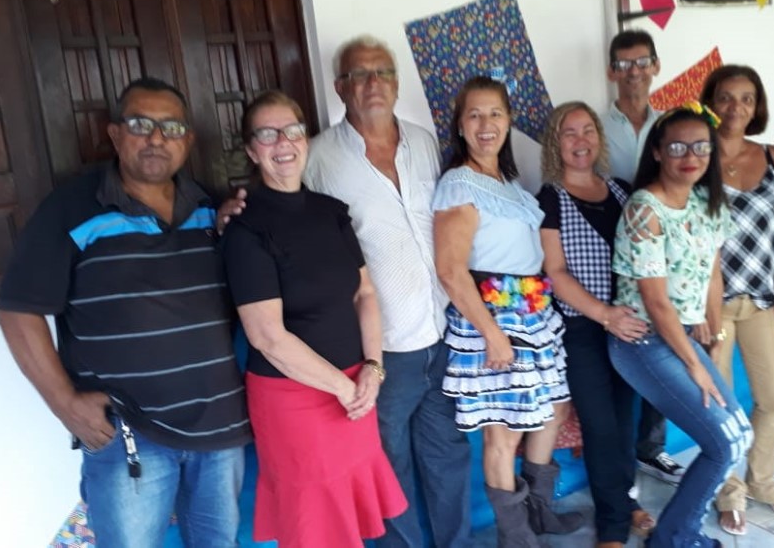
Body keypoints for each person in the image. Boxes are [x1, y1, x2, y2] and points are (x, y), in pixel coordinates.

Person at [0, 77, 252, 547]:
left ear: (188, 140)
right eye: (140, 124)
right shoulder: (72, 209)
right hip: (128, 433)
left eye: (171, 127)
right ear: (114, 135)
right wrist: (64, 403)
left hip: (219, 428)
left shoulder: (210, 207)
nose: (157, 138)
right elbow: (17, 310)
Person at [303, 34, 472, 547]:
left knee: (448, 459)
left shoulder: (425, 142)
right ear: (340, 87)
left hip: (443, 336)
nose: (372, 83)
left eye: (382, 72)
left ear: (397, 84)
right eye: (359, 74)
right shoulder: (316, 158)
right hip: (381, 352)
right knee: (385, 469)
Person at [221, 90, 406, 546]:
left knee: (349, 517)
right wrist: (343, 388)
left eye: (292, 130)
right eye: (267, 134)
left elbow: (364, 293)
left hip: (355, 387)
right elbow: (267, 337)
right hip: (295, 400)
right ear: (251, 151)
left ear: (306, 139)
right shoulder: (246, 229)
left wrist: (374, 367)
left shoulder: (331, 212)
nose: (283, 142)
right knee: (315, 526)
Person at [433, 76, 583, 546]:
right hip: (492, 318)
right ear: (460, 125)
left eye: (495, 113)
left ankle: (539, 511)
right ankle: (515, 537)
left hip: (533, 314)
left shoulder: (510, 185)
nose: (486, 124)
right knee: (504, 435)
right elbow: (451, 270)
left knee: (552, 411)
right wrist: (492, 335)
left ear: (508, 120)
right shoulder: (460, 184)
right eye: (475, 114)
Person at [608, 102, 753, 548]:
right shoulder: (644, 207)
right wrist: (694, 364)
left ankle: (676, 535)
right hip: (644, 342)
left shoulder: (709, 204)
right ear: (657, 151)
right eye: (677, 147)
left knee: (739, 435)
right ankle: (675, 538)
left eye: (701, 146)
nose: (690, 156)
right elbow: (656, 301)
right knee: (724, 444)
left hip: (682, 337)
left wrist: (713, 330)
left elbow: (712, 272)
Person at [537, 101, 656, 548]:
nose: (580, 140)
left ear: (599, 138)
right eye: (569, 132)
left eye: (587, 130)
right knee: (601, 427)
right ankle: (612, 527)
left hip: (630, 328)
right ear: (556, 144)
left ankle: (624, 501)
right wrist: (605, 315)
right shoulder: (550, 198)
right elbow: (556, 273)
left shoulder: (623, 191)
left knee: (625, 422)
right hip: (584, 331)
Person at [698, 65, 774, 535]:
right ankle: (730, 491)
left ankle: (762, 479)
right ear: (711, 102)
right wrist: (700, 311)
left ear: (757, 105)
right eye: (725, 96)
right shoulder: (699, 156)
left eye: (746, 98)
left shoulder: (773, 157)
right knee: (720, 405)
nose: (735, 107)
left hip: (762, 298)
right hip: (713, 303)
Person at [599, 29, 685, 484]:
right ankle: (615, 457)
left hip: (664, 251)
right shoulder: (595, 127)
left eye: (641, 62)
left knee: (662, 340)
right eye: (623, 64)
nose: (633, 72)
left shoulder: (671, 126)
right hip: (608, 250)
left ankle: (652, 448)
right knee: (621, 344)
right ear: (611, 72)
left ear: (655, 66)